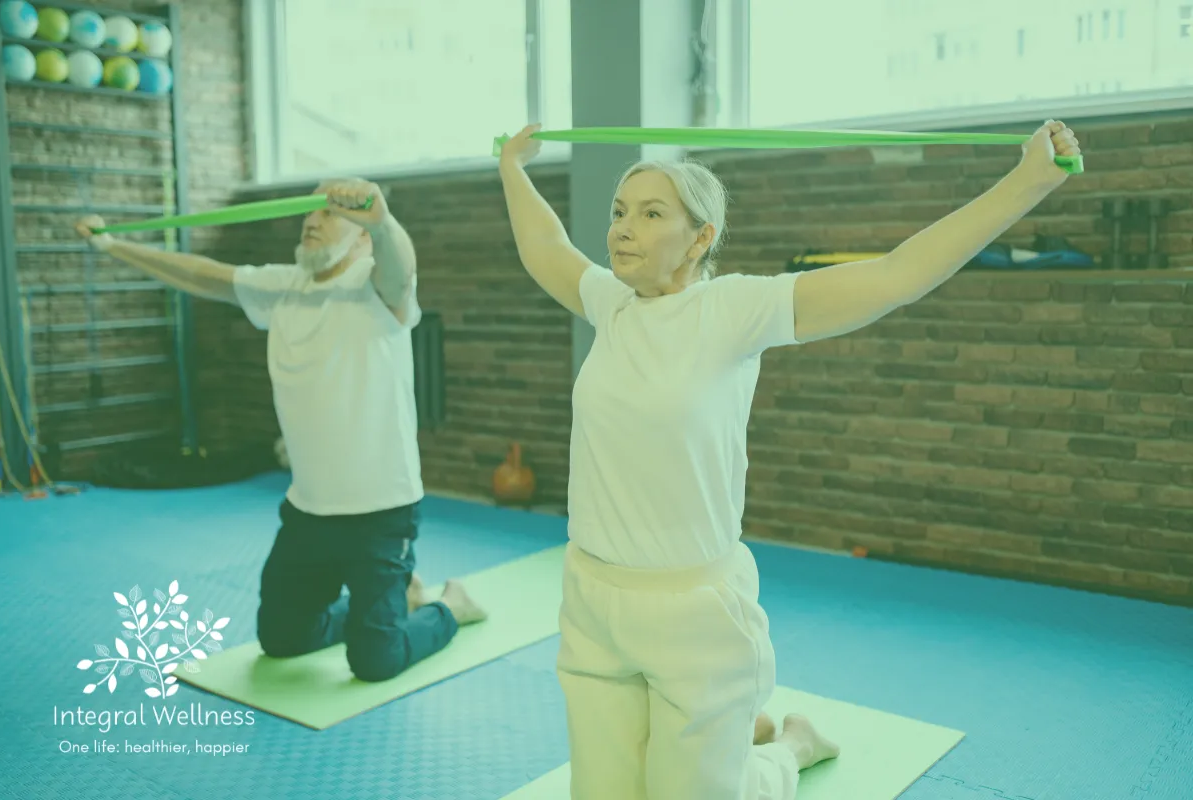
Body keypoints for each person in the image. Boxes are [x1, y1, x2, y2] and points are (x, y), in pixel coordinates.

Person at [496, 120, 1081, 798]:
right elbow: (545, 246)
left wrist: (1030, 179)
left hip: (693, 614)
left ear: (700, 238)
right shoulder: (610, 304)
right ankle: (737, 741)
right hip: (592, 602)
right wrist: (515, 165)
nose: (624, 228)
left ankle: (790, 750)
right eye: (620, 212)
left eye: (652, 213)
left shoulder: (732, 309)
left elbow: (896, 276)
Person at [75, 178, 487, 683]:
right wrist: (114, 245)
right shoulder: (283, 287)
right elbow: (203, 274)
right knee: (284, 639)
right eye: (308, 214)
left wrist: (381, 221)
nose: (312, 221)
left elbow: (401, 266)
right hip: (309, 513)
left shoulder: (378, 290)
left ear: (361, 238)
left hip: (382, 515)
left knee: (374, 662)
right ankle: (389, 603)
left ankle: (448, 606)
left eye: (329, 214)